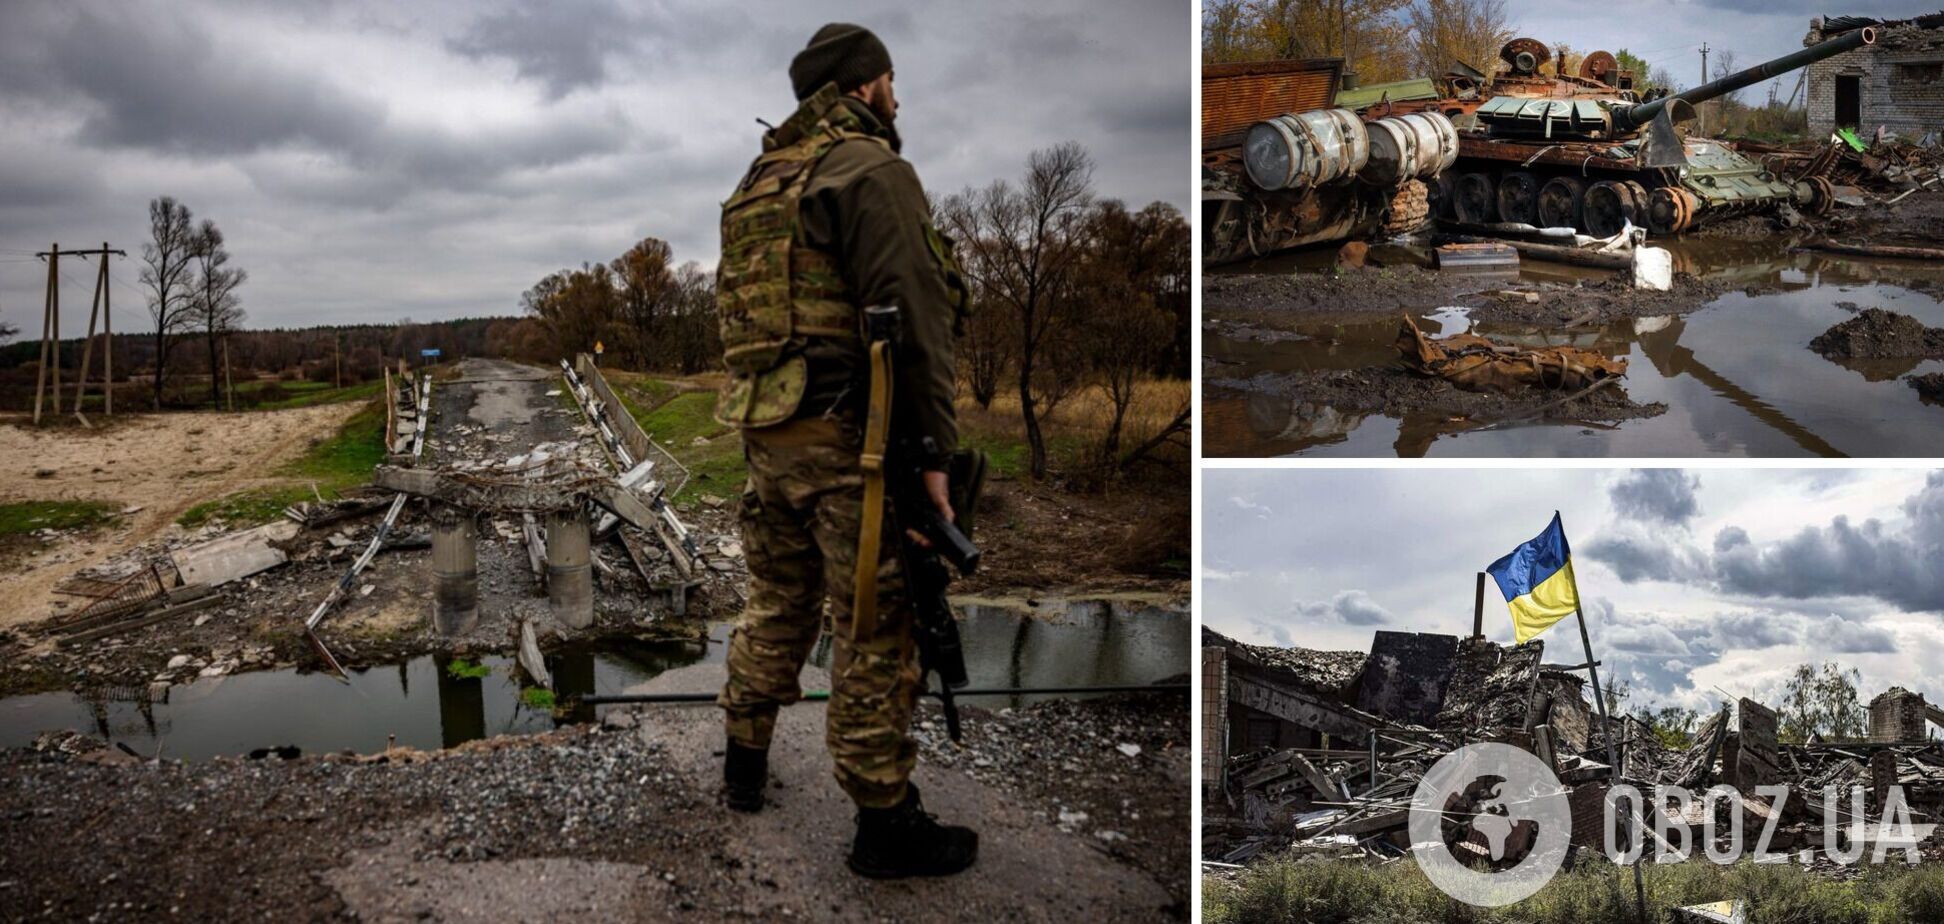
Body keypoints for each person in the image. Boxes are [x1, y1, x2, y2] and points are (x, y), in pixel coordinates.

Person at [710, 22, 975, 879]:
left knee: (777, 601)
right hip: (848, 446)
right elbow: (920, 318)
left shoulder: (758, 184)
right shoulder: (869, 170)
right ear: (866, 86)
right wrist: (933, 452)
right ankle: (884, 825)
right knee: (873, 625)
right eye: (893, 81)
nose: (900, 97)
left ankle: (743, 766)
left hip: (766, 437)